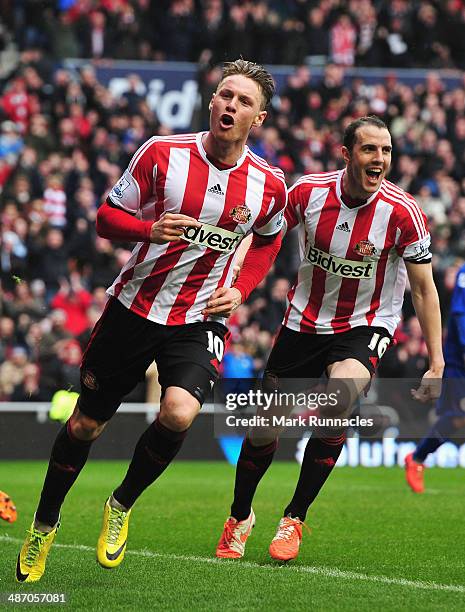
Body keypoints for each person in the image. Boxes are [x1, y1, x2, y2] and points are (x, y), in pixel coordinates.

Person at [16, 59, 287, 583]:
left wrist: (241, 287)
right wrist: (148, 228)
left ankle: (121, 504)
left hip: (197, 316)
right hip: (134, 308)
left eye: (243, 101)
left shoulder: (268, 185)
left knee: (180, 413)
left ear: (259, 118)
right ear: (212, 102)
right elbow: (104, 218)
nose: (230, 105)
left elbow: (271, 238)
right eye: (224, 95)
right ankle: (43, 525)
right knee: (85, 424)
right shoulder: (164, 153)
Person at [215, 115, 444, 562]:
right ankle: (240, 516)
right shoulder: (308, 192)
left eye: (386, 151)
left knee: (339, 400)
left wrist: (436, 362)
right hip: (303, 322)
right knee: (264, 428)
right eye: (369, 150)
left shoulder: (404, 214)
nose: (379, 159)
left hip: (366, 324)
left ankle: (293, 518)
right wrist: (238, 276)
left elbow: (422, 288)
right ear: (346, 154)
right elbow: (265, 234)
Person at [405, 262, 465, 493]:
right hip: (459, 357)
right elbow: (460, 314)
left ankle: (417, 458)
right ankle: (417, 458)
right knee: (458, 417)